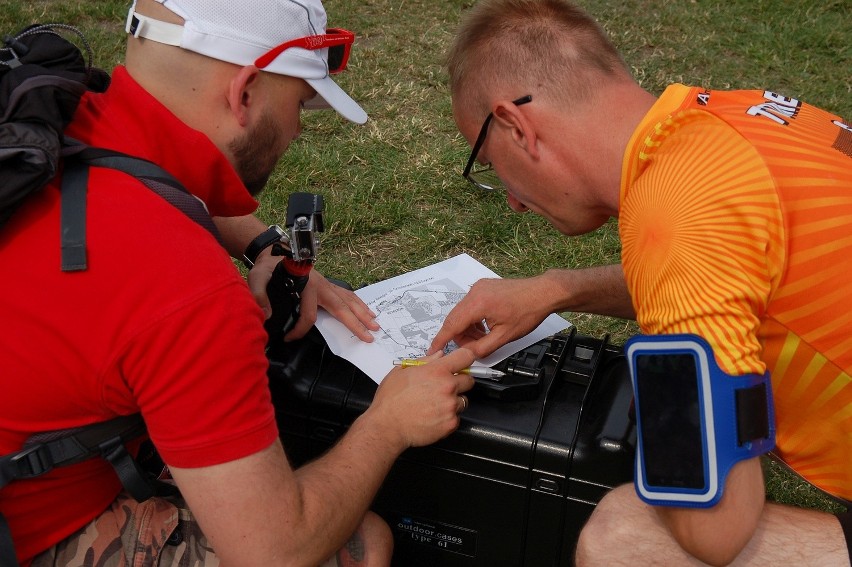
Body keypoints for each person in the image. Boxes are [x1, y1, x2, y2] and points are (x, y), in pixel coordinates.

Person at [0, 0, 476, 565]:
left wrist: (264, 243)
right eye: (300, 102)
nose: (299, 128)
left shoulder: (56, 110)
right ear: (244, 92)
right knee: (355, 545)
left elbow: (157, 175)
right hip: (29, 527)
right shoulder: (185, 289)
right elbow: (276, 549)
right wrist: (388, 423)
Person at [432, 0, 852, 565]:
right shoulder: (740, 113)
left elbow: (716, 527)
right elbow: (735, 272)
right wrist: (559, 288)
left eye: (488, 162)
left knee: (623, 540)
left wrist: (674, 403)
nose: (510, 199)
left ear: (515, 126)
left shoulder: (674, 223)